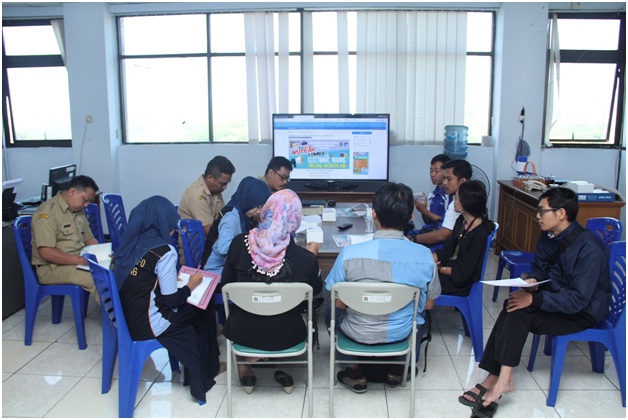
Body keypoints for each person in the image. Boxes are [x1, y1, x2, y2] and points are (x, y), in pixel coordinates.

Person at [459, 187, 610, 417]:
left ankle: (501, 379)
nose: (537, 216)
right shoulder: (548, 236)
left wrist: (535, 297)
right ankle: (497, 376)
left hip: (583, 312)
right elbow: (540, 269)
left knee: (521, 309)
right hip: (559, 300)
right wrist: (533, 280)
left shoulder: (589, 248)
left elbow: (578, 300)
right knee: (515, 304)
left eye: (542, 211)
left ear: (561, 213)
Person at [325, 182, 440, 393]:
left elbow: (338, 300)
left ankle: (354, 372)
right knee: (420, 315)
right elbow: (430, 304)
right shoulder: (425, 256)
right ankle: (397, 369)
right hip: (401, 332)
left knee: (328, 311)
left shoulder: (349, 254)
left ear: (374, 214)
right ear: (410, 218)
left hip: (357, 331)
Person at [113, 196, 220, 405]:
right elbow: (172, 301)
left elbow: (143, 282)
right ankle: (204, 374)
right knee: (202, 307)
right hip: (150, 324)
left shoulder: (128, 245)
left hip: (126, 320)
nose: (173, 229)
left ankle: (195, 368)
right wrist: (192, 285)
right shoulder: (164, 251)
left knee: (195, 307)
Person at [220, 189, 322, 394]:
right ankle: (281, 363)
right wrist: (311, 258)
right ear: (295, 219)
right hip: (288, 335)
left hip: (243, 331)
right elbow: (316, 290)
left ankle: (244, 366)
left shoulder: (239, 245)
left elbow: (227, 284)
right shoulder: (304, 258)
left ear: (266, 211)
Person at [31, 175, 101, 301]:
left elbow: (89, 239)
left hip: (76, 261)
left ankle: (130, 311)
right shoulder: (47, 213)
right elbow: (46, 252)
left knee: (116, 269)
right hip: (52, 267)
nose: (86, 205)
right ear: (72, 192)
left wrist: (103, 255)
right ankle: (118, 318)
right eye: (85, 200)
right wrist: (78, 261)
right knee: (98, 278)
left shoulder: (77, 210)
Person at [434, 180, 495, 296]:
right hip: (451, 271)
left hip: (461, 283)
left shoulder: (480, 234)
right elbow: (449, 249)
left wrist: (440, 269)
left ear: (464, 204)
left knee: (422, 282)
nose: (454, 201)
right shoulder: (461, 221)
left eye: (456, 199)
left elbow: (465, 273)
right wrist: (430, 258)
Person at [203, 176, 271, 275]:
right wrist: (251, 247)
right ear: (249, 201)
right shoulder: (230, 218)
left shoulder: (247, 219)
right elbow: (223, 248)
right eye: (259, 206)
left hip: (231, 268)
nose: (260, 212)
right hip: (216, 272)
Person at [411, 159, 472, 247]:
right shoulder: (467, 199)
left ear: (462, 181)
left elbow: (442, 235)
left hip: (446, 247)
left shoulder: (457, 204)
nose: (444, 183)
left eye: (449, 179)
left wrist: (414, 238)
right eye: (444, 178)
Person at [178, 155, 236, 236]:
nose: (225, 187)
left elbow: (222, 219)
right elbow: (209, 232)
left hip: (210, 242)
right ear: (210, 177)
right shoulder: (196, 194)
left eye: (227, 183)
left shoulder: (215, 191)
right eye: (223, 183)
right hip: (196, 246)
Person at [411, 153, 452, 234]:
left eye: (436, 171)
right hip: (429, 230)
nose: (432, 174)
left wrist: (425, 211)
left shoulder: (450, 195)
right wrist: (423, 209)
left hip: (439, 233)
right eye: (431, 171)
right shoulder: (431, 195)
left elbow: (445, 223)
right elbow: (427, 222)